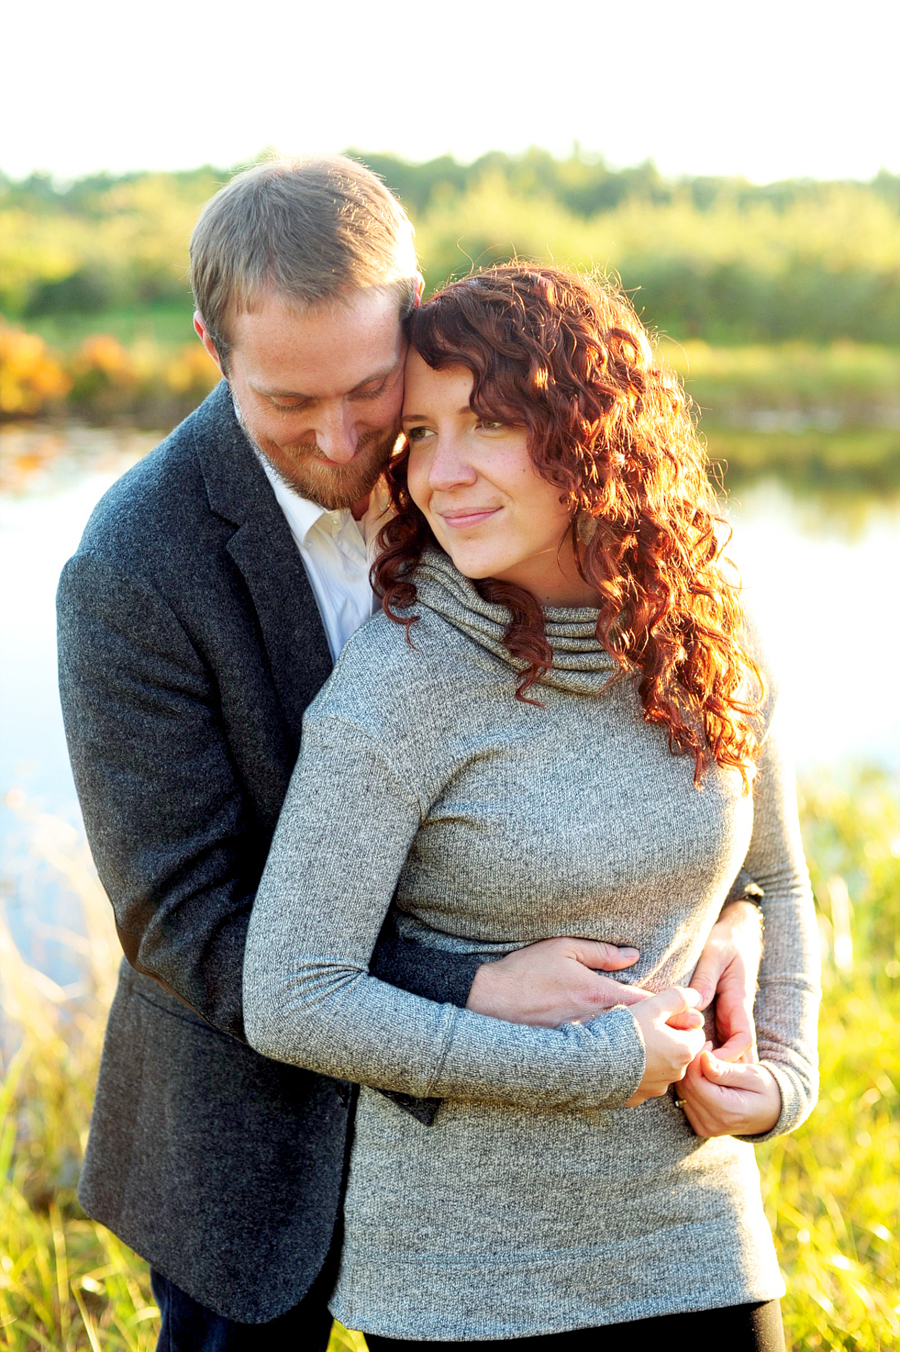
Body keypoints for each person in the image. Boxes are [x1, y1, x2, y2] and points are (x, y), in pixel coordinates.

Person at [57, 158, 769, 1351]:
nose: (342, 438)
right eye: (287, 401)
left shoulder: (482, 466)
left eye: (369, 387)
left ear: (411, 311)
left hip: (499, 1178)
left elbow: (629, 743)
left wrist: (729, 909)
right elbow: (185, 917)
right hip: (252, 1141)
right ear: (209, 343)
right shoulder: (132, 567)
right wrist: (475, 983)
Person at [243, 264, 820, 1348]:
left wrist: (784, 1074)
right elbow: (292, 994)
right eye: (419, 432)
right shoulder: (397, 689)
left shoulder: (705, 638)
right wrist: (588, 1066)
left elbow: (775, 878)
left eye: (490, 423)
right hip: (461, 1278)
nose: (440, 472)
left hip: (698, 1231)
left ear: (590, 433)